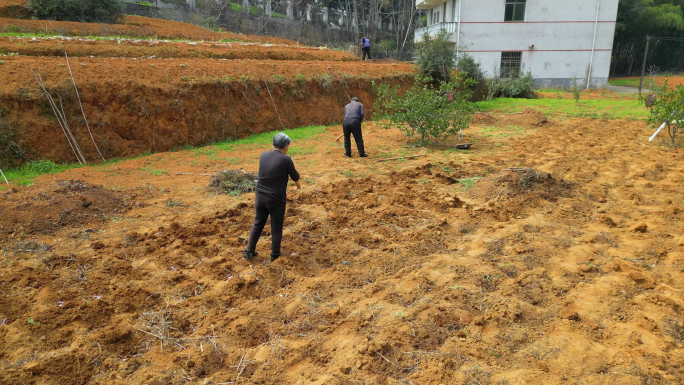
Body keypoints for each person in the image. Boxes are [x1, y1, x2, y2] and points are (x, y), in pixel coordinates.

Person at [243, 133, 301, 263]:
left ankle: (249, 251)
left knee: (258, 222)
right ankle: (275, 254)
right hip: (275, 198)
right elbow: (295, 175)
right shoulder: (286, 160)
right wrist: (298, 184)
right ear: (286, 146)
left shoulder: (263, 155)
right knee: (276, 226)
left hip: (260, 195)